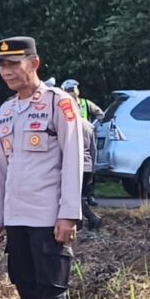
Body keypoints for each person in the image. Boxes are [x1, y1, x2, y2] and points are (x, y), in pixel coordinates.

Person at [0, 37, 87, 299]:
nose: (8, 72)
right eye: (2, 66)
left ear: (35, 63)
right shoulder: (8, 111)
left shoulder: (59, 104)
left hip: (49, 217)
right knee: (28, 290)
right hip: (17, 217)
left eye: (15, 63)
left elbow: (73, 160)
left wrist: (69, 215)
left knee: (53, 294)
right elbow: (1, 168)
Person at [63, 79, 105, 231]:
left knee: (73, 198)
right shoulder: (88, 125)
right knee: (80, 196)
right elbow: (93, 148)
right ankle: (80, 224)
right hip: (87, 165)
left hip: (75, 165)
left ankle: (92, 219)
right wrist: (93, 167)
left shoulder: (67, 124)